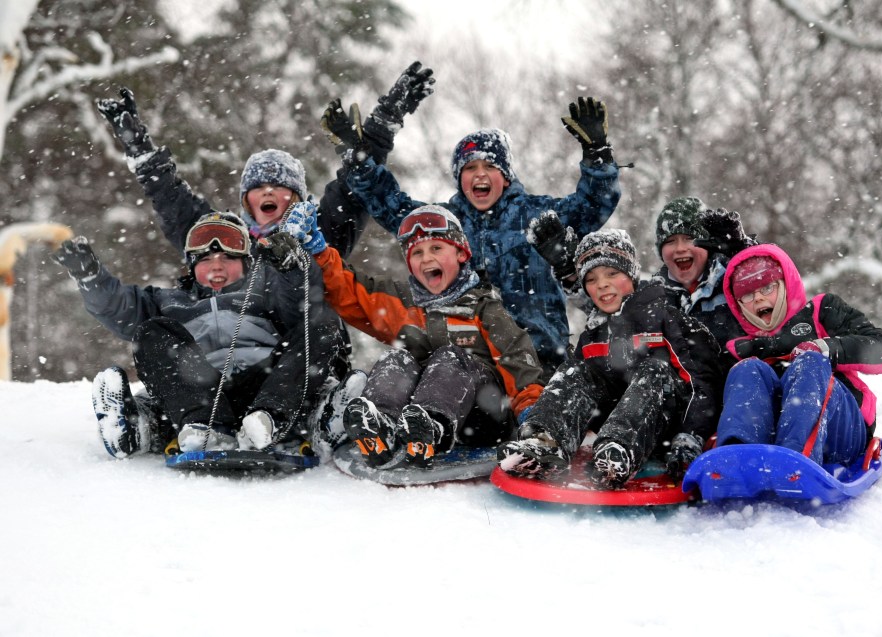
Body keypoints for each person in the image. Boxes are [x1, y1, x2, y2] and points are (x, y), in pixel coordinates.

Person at [323, 96, 622, 376]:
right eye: (470, 168)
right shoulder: (443, 223)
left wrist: (598, 157)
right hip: (466, 357)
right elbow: (392, 207)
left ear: (505, 176)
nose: (480, 174)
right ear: (459, 178)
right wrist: (359, 162)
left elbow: (592, 206)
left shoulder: (535, 215)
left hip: (538, 354)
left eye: (490, 166)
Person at [268, 204, 544, 468]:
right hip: (413, 418)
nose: (427, 258)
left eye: (436, 248)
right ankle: (380, 424)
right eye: (417, 253)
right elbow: (351, 292)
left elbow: (516, 359)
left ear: (461, 254)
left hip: (484, 419)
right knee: (397, 357)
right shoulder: (404, 303)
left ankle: (431, 425)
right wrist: (319, 252)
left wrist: (534, 418)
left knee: (449, 357)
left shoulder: (484, 307)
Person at [52, 212, 346, 457]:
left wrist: (290, 270)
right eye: (206, 260)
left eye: (226, 259)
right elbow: (118, 307)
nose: (216, 266)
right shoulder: (169, 300)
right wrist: (91, 277)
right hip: (197, 391)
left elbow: (299, 307)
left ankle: (278, 419)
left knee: (321, 322)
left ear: (245, 261)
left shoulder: (265, 291)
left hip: (266, 384)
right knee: (151, 332)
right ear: (193, 266)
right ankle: (178, 428)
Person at [95, 60, 435, 256]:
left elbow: (356, 188)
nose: (269, 192)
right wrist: (142, 152)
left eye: (279, 185)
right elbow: (176, 206)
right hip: (238, 355)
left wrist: (382, 124)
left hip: (309, 353)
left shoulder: (324, 232)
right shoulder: (226, 241)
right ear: (246, 198)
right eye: (259, 186)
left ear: (298, 197)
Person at [497, 229, 722, 488]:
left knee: (654, 370)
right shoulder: (594, 333)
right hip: (609, 429)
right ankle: (545, 442)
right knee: (575, 371)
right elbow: (581, 392)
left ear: (631, 275)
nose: (602, 283)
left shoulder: (665, 317)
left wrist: (691, 436)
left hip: (666, 427)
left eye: (612, 273)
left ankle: (618, 451)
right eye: (591, 279)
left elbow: (701, 383)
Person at [714, 244, 882, 466]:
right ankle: (738, 458)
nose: (759, 299)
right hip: (770, 443)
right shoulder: (740, 347)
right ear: (738, 305)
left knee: (809, 363)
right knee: (745, 370)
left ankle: (796, 457)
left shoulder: (821, 312)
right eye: (748, 295)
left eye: (767, 288)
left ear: (784, 285)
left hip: (842, 431)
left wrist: (825, 348)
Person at [531, 196, 756, 372]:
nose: (680, 248)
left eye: (689, 238)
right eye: (670, 241)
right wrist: (572, 273)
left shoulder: (734, 280)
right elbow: (613, 304)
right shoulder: (655, 291)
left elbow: (773, 291)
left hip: (737, 384)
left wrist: (743, 253)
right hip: (683, 396)